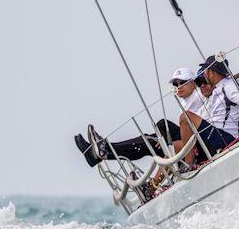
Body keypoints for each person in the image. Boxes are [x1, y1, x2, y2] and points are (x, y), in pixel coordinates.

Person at [74, 68, 214, 166]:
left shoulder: (200, 94)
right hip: (189, 139)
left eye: (182, 82)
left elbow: (212, 87)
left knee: (151, 139)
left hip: (199, 144)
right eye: (175, 84)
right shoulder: (185, 101)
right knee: (151, 138)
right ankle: (99, 152)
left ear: (194, 83)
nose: (178, 87)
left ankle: (101, 151)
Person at [174, 55, 239, 166]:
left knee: (185, 117)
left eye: (205, 71)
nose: (204, 75)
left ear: (210, 72)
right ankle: (156, 182)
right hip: (217, 134)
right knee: (176, 146)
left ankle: (189, 166)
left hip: (225, 138)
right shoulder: (219, 88)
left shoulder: (227, 86)